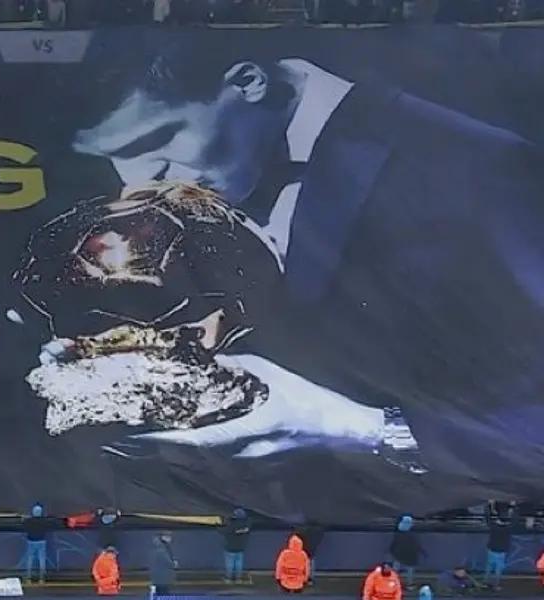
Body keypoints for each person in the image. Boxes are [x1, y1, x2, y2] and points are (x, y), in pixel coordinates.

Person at [60, 36, 544, 516]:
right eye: (115, 157)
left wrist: (369, 429)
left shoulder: (476, 168)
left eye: (155, 141)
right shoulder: (212, 178)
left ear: (248, 83)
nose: (138, 184)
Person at [483, 511, 514, 589]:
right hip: (501, 552)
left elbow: (488, 520)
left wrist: (487, 508)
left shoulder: (494, 527)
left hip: (492, 551)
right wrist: (513, 510)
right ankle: (496, 585)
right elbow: (515, 522)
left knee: (489, 568)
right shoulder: (508, 529)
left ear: (498, 521)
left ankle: (485, 583)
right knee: (498, 570)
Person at [389, 516, 422, 585]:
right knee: (408, 570)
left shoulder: (398, 534)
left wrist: (391, 551)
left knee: (397, 569)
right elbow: (416, 545)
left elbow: (394, 544)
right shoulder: (412, 535)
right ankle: (408, 584)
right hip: (407, 556)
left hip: (401, 555)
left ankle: (393, 582)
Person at [222, 508, 250, 583]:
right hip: (240, 547)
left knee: (230, 563)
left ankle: (228, 578)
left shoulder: (231, 524)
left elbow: (224, 531)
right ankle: (238, 579)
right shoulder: (247, 525)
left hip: (230, 547)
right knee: (238, 563)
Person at [24, 503, 49, 583]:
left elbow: (24, 526)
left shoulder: (28, 521)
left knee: (30, 560)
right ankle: (41, 579)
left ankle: (28, 578)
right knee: (42, 560)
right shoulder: (44, 521)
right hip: (41, 541)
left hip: (31, 541)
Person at [149, 532, 177, 596]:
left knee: (158, 595)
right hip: (162, 578)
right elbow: (167, 562)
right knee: (164, 595)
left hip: (157, 577)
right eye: (169, 537)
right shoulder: (162, 549)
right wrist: (174, 564)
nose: (170, 539)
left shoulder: (157, 547)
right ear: (164, 537)